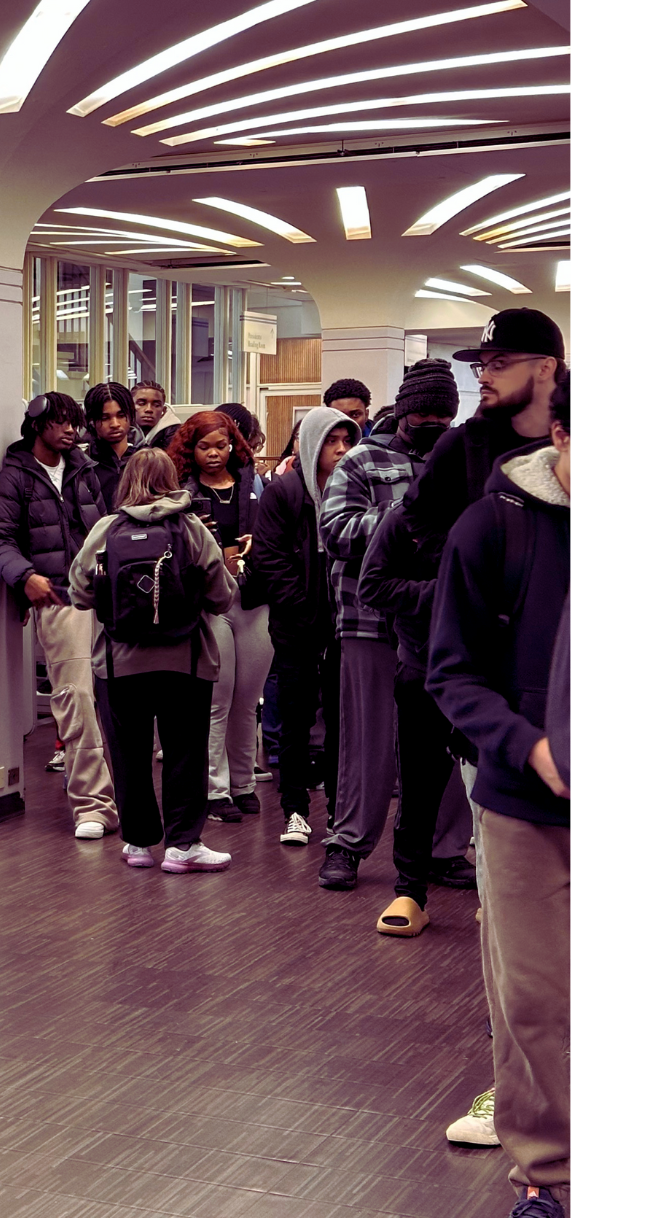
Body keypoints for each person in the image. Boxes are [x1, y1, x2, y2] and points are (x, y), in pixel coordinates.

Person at [427, 377, 570, 1218]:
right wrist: (528, 746)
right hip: (523, 804)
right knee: (533, 998)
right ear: (558, 434)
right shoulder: (495, 526)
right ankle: (545, 1178)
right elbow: (451, 670)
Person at [314, 360, 459, 892]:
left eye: (443, 414)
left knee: (446, 744)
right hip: (369, 618)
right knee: (366, 741)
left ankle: (441, 851)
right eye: (422, 411)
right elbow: (333, 532)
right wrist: (408, 518)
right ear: (402, 409)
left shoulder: (460, 460)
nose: (432, 422)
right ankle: (349, 844)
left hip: (441, 626)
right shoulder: (362, 459)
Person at [69, 448, 237, 873]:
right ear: (172, 478)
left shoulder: (107, 530)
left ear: (127, 481)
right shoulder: (193, 528)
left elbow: (79, 592)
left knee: (128, 754)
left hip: (120, 664)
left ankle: (140, 844)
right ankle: (183, 847)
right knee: (185, 752)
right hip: (187, 661)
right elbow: (222, 597)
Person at [0, 391, 116, 839]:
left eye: (73, 422)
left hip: (103, 596)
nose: (70, 430)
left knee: (114, 699)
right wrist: (25, 578)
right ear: (37, 425)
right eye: (60, 422)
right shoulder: (16, 475)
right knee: (74, 699)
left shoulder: (84, 469)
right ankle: (92, 806)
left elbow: (105, 526)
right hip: (59, 597)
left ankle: (119, 802)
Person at [251, 407, 358, 846]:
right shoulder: (285, 492)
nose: (341, 451)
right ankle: (295, 809)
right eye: (332, 441)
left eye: (347, 441)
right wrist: (300, 608)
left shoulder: (352, 490)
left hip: (344, 624)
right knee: (294, 721)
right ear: (311, 443)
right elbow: (269, 557)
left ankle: (338, 809)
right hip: (296, 626)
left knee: (340, 720)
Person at [169, 410, 270, 825]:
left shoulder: (254, 484)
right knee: (217, 700)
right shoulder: (182, 491)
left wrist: (257, 541)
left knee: (248, 701)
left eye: (222, 446)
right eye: (205, 447)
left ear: (235, 446)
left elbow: (276, 536)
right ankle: (215, 790)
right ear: (190, 450)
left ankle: (244, 784)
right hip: (210, 603)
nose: (215, 454)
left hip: (254, 599)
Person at [408, 308, 564, 550]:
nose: (483, 378)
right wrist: (463, 566)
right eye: (483, 366)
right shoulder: (462, 445)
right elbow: (418, 517)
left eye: (499, 364)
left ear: (545, 368)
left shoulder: (566, 445)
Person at [84, 382, 139, 510]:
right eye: (105, 418)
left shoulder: (147, 461)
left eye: (121, 416)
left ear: (130, 415)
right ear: (92, 421)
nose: (115, 424)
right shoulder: (83, 465)